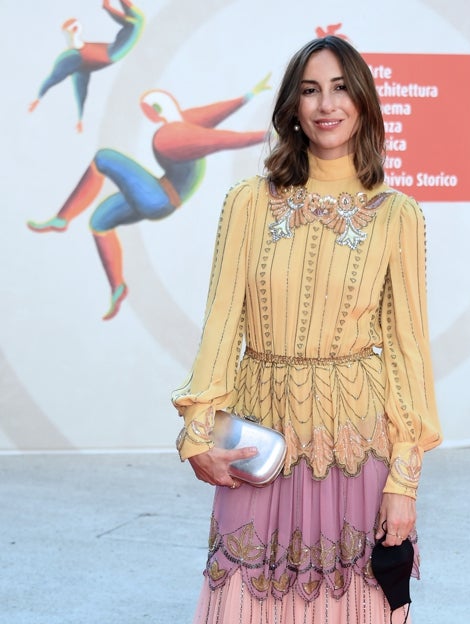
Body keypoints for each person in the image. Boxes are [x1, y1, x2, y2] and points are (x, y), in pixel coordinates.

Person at [172, 35, 442, 624]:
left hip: (355, 447)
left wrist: (405, 479)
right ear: (292, 107)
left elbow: (407, 352)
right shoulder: (248, 202)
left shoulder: (397, 213)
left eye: (342, 89)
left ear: (365, 103)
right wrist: (197, 431)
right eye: (311, 90)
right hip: (258, 443)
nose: (326, 104)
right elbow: (222, 327)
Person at [27, 76, 270, 320]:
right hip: (157, 195)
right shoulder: (182, 124)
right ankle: (117, 287)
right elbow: (216, 118)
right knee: (100, 221)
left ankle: (62, 219)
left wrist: (268, 135)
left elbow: (223, 139)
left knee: (103, 158)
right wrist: (251, 95)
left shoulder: (171, 135)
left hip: (159, 199)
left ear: (155, 113)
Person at [29, 0, 145, 133]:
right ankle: (106, 7)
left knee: (136, 22)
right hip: (112, 53)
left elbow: (77, 88)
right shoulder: (76, 60)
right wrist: (39, 98)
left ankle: (106, 7)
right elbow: (61, 80)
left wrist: (80, 118)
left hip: (110, 50)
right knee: (137, 22)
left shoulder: (79, 59)